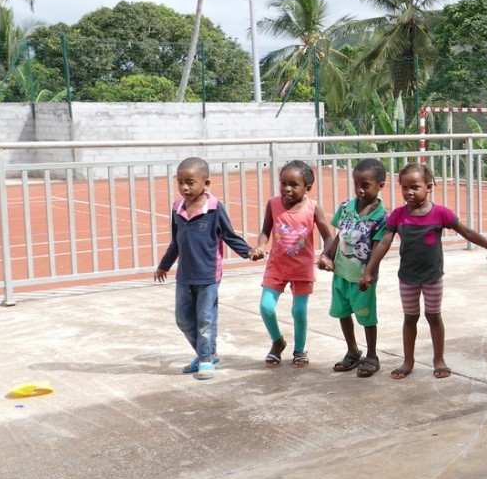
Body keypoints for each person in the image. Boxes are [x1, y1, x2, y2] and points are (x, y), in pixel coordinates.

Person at [360, 163, 487, 380]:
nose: (409, 192)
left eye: (415, 187)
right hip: (408, 278)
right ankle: (408, 361)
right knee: (410, 318)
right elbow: (384, 242)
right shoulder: (398, 215)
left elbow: (467, 232)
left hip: (432, 277)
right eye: (405, 187)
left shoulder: (440, 213)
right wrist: (369, 270)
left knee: (434, 316)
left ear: (429, 187)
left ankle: (438, 359)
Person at [154, 157, 258, 380]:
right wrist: (164, 265)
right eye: (180, 182)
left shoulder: (214, 209)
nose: (185, 187)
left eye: (190, 182)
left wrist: (249, 252)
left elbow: (229, 235)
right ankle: (207, 353)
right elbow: (176, 242)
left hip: (208, 275)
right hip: (184, 275)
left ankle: (205, 359)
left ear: (206, 183)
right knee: (183, 318)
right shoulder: (177, 208)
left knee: (205, 319)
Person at [249, 160, 333, 369]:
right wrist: (260, 246)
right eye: (283, 183)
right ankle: (277, 341)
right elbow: (265, 231)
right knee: (266, 306)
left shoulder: (312, 208)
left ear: (307, 188)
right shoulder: (273, 204)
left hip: (302, 269)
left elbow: (328, 237)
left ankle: (300, 349)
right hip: (277, 267)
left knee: (299, 311)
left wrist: (326, 255)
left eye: (294, 185)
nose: (287, 188)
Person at [319, 158, 387, 378]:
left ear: (380, 185)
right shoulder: (346, 207)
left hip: (362, 278)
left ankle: (372, 355)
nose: (359, 190)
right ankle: (352, 350)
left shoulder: (381, 217)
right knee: (343, 312)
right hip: (341, 273)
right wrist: (327, 256)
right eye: (356, 184)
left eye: (365, 185)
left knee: (367, 316)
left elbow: (378, 248)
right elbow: (340, 235)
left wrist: (369, 273)